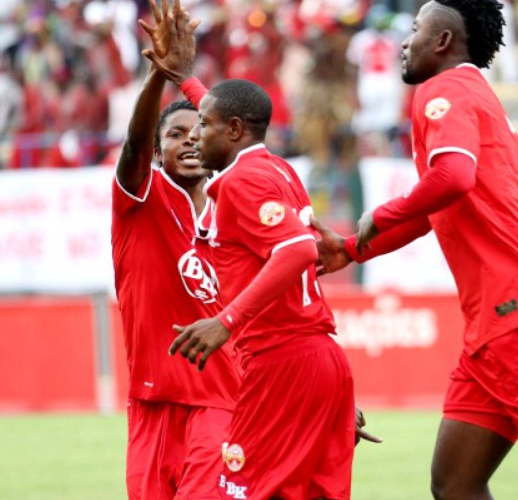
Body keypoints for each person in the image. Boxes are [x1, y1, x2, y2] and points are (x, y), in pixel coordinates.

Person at [313, 1, 518, 499]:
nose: (405, 41)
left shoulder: (443, 89)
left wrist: (379, 214)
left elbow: (453, 176)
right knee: (455, 485)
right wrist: (356, 249)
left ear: (443, 41)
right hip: (494, 327)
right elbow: (435, 206)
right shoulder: (472, 93)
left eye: (416, 30)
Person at [139, 3, 375, 498]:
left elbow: (295, 253)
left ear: (233, 131)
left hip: (282, 361)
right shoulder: (278, 170)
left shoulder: (243, 180)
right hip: (322, 359)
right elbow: (225, 110)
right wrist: (184, 79)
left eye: (201, 126)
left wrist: (225, 321)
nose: (194, 136)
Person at [112, 2, 240, 497]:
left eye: (198, 133)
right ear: (159, 148)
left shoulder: (237, 211)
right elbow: (133, 147)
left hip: (221, 404)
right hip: (150, 405)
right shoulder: (138, 201)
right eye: (175, 135)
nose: (188, 142)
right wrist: (158, 79)